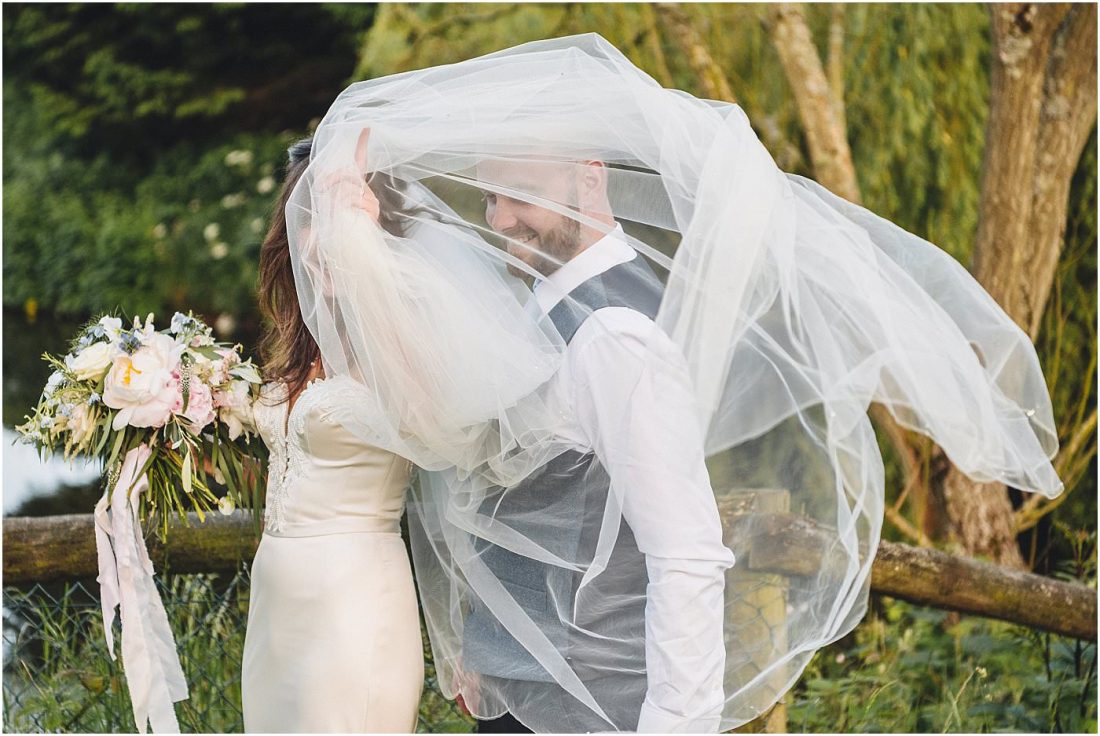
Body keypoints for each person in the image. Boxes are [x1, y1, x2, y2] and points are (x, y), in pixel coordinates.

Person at [280, 33, 1064, 733]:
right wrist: (488, 642)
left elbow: (686, 551)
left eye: (518, 195)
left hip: (604, 708)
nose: (502, 220)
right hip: (537, 696)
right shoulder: (539, 314)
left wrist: (675, 725)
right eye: (490, 198)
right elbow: (518, 494)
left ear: (588, 179)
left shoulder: (619, 336)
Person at [241, 138, 425, 733]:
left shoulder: (402, 331)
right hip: (277, 598)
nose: (314, 240)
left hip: (354, 600)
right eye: (305, 220)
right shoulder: (303, 340)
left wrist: (365, 255)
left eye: (330, 217)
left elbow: (436, 432)